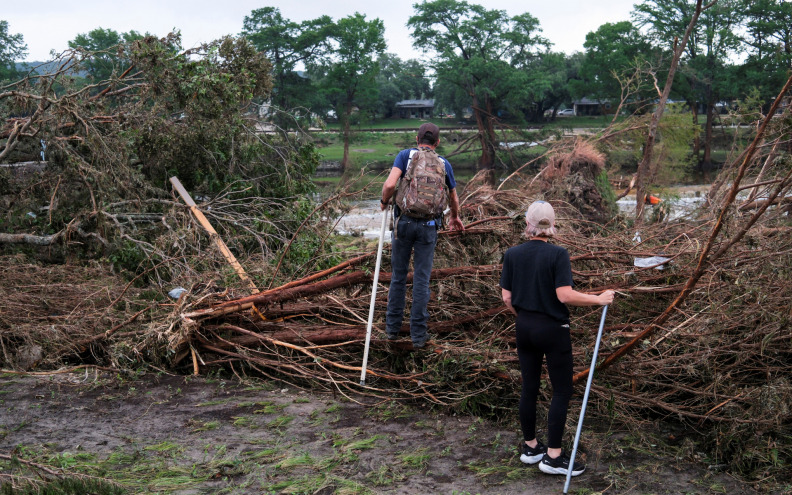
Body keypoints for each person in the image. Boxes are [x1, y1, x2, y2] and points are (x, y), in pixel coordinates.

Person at [499, 200, 614, 477]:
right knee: (561, 390)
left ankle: (530, 448)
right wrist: (598, 299)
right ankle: (552, 457)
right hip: (552, 330)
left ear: (527, 224)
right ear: (552, 225)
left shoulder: (512, 254)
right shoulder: (558, 254)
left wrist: (525, 314)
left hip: (524, 327)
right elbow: (564, 295)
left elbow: (506, 297)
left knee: (529, 386)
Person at [380, 122, 464, 348]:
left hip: (404, 223)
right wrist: (454, 217)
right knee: (421, 279)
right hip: (428, 226)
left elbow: (389, 185)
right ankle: (418, 336)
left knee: (398, 276)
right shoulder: (444, 163)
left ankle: (392, 330)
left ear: (417, 139)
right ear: (437, 143)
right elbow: (454, 198)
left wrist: (384, 201)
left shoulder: (405, 155)